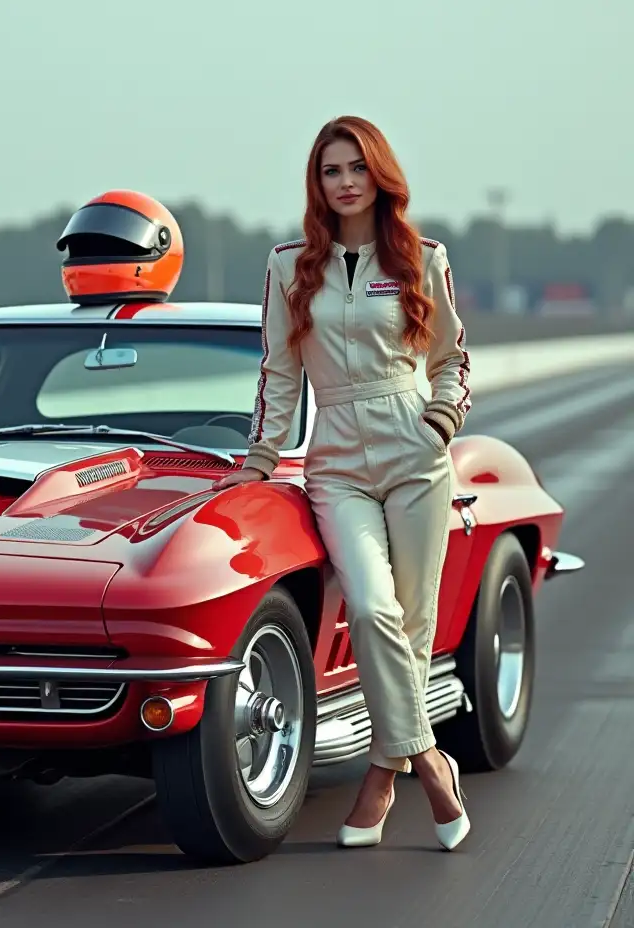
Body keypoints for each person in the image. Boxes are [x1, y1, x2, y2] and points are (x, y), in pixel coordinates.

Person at [214, 115, 471, 851]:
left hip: (415, 450)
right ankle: (427, 764)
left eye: (357, 167)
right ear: (317, 183)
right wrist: (261, 459)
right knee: (369, 608)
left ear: (378, 173)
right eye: (332, 170)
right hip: (336, 463)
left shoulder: (422, 256)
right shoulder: (289, 264)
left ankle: (380, 780)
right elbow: (278, 371)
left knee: (411, 631)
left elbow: (453, 358)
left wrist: (440, 423)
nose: (346, 181)